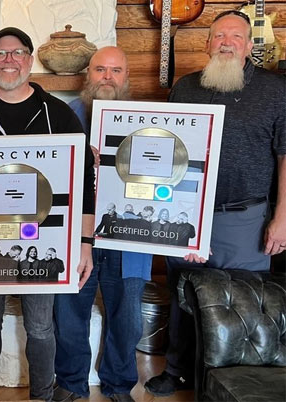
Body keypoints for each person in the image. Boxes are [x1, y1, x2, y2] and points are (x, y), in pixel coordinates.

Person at [0, 27, 96, 402]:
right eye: (0, 53)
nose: (8, 60)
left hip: (42, 241)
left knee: (41, 326)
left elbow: (83, 186)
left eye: (17, 53)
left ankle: (41, 395)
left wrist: (85, 243)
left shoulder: (58, 114)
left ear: (29, 60)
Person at [145, 10, 286, 397]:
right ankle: (178, 371)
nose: (227, 42)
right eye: (219, 35)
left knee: (240, 303)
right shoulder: (185, 88)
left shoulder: (275, 90)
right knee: (183, 294)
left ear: (249, 46)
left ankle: (229, 385)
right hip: (187, 214)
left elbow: (285, 155)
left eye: (236, 36)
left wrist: (283, 217)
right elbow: (166, 148)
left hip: (244, 217)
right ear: (207, 44)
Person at [54, 46, 152, 402]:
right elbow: (49, 174)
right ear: (88, 75)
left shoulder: (149, 120)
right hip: (77, 233)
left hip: (129, 236)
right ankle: (70, 383)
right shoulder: (64, 117)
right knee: (69, 312)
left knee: (127, 318)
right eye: (100, 70)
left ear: (126, 78)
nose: (107, 77)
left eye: (115, 70)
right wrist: (76, 161)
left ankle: (118, 384)